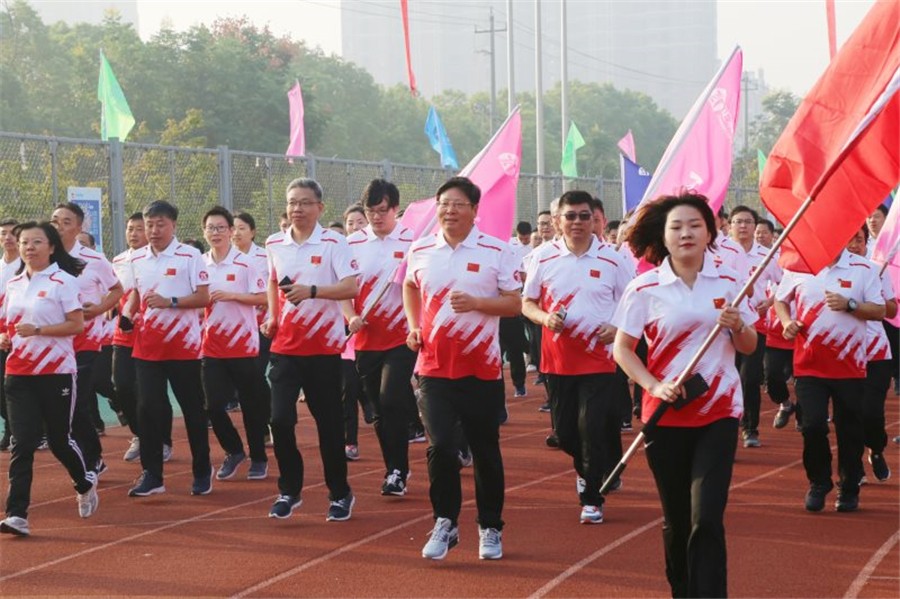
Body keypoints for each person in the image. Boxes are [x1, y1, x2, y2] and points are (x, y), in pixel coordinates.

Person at [612, 193, 758, 597]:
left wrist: (738, 324)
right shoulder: (644, 287)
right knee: (677, 519)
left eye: (695, 225)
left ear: (710, 231)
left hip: (719, 413)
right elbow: (622, 349)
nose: (686, 233)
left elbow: (748, 346)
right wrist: (653, 385)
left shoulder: (730, 281)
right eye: (676, 227)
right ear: (664, 234)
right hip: (666, 415)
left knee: (706, 517)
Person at [404, 176, 521, 561]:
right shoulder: (420, 249)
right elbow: (409, 286)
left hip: (480, 369)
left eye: (458, 204)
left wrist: (477, 303)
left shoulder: (497, 251)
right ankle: (445, 522)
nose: (449, 211)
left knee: (485, 450)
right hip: (433, 367)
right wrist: (414, 324)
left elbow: (515, 304)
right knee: (441, 448)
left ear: (474, 210)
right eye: (444, 204)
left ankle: (490, 526)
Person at [522, 190, 632, 524]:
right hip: (557, 359)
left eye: (585, 216)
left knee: (592, 425)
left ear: (596, 219)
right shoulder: (542, 257)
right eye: (570, 216)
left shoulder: (613, 259)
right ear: (557, 221)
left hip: (599, 358)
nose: (578, 222)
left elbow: (633, 302)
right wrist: (545, 319)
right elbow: (527, 303)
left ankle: (592, 498)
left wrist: (616, 328)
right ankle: (589, 467)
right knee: (567, 433)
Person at [261, 178, 359, 522]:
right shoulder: (274, 243)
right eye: (292, 203)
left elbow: (350, 286)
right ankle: (289, 489)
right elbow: (273, 281)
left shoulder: (335, 242)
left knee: (329, 425)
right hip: (285, 347)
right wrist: (273, 316)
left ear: (320, 207)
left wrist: (313, 291)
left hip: (323, 349)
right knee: (279, 419)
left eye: (304, 203)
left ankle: (340, 492)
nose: (297, 209)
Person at [0, 222, 99, 536]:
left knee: (59, 440)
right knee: (23, 442)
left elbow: (76, 325)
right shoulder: (13, 284)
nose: (29, 247)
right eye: (24, 241)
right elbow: (7, 325)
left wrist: (39, 331)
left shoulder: (63, 281)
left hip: (55, 372)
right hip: (18, 373)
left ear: (52, 246)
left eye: (36, 242)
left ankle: (84, 483)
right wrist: (3, 338)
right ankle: (17, 514)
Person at [775, 232, 885, 512]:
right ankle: (819, 481)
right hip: (809, 364)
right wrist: (787, 321)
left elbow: (880, 310)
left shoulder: (864, 269)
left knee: (849, 430)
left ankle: (848, 488)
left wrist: (851, 305)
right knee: (812, 425)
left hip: (849, 366)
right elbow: (781, 300)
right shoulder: (798, 265)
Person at [124, 200, 213, 497]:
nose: (153, 230)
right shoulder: (137, 259)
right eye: (149, 224)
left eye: (160, 224)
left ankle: (202, 471)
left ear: (173, 225)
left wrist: (170, 302)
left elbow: (203, 298)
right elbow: (136, 294)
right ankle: (152, 474)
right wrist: (127, 315)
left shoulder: (190, 256)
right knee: (148, 408)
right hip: (147, 347)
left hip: (183, 348)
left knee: (192, 410)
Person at [344, 179, 418, 496]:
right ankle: (394, 467)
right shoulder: (352, 244)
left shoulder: (413, 241)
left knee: (391, 400)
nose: (376, 217)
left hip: (402, 337)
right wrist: (350, 317)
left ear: (396, 209)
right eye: (370, 211)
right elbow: (344, 290)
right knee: (376, 409)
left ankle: (398, 471)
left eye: (382, 211)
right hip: (366, 339)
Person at [51, 202, 124, 476]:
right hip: (53, 344)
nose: (59, 226)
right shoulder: (44, 257)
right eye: (55, 220)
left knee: (77, 401)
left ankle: (92, 459)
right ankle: (90, 455)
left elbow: (117, 290)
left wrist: (99, 309)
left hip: (85, 342)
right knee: (61, 407)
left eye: (66, 222)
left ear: (79, 227)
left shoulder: (94, 260)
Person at [200, 206, 269, 481]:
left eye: (221, 228)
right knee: (212, 405)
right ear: (204, 232)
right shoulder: (199, 264)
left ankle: (259, 457)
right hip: (211, 346)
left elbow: (263, 297)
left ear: (231, 231)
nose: (215, 233)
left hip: (243, 345)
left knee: (251, 405)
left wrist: (231, 295)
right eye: (210, 228)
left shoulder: (246, 263)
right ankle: (234, 450)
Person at [112, 213, 174, 463]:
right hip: (123, 334)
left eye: (139, 229)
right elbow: (113, 290)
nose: (134, 233)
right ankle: (141, 434)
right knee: (122, 385)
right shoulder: (118, 260)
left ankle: (163, 439)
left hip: (151, 333)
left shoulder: (156, 260)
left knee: (153, 392)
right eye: (131, 229)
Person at [727, 205, 781, 448]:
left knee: (750, 378)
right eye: (738, 221)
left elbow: (783, 284)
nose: (743, 226)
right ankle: (728, 423)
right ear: (730, 225)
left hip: (754, 324)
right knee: (728, 376)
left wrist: (768, 303)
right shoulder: (720, 251)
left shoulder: (767, 255)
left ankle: (750, 428)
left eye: (748, 222)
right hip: (724, 323)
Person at [846, 226, 896, 482]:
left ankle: (876, 449)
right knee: (850, 412)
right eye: (850, 240)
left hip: (876, 353)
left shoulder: (876, 270)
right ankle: (854, 467)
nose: (855, 245)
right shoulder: (830, 273)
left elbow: (891, 309)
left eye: (860, 239)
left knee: (872, 413)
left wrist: (873, 302)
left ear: (867, 242)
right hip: (844, 353)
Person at [340, 203, 370, 461]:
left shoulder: (372, 254)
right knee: (347, 389)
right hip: (343, 334)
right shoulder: (339, 253)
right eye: (350, 223)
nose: (355, 228)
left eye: (360, 222)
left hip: (372, 331)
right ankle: (350, 441)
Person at [0, 218, 22, 452]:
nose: (7, 238)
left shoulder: (26, 266)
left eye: (12, 234)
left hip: (22, 337)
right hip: (1, 336)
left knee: (13, 387)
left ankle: (14, 432)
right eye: (3, 233)